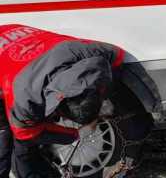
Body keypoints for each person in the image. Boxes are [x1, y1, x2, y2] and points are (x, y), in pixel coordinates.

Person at [0, 24, 131, 178]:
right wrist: (75, 134)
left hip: (12, 34)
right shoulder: (24, 98)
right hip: (14, 72)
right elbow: (26, 134)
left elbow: (118, 58)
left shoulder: (97, 52)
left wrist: (103, 98)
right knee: (6, 136)